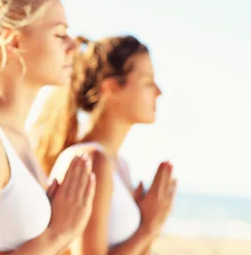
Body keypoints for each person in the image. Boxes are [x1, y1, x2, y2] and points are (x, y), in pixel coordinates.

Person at [0, 0, 96, 254]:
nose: (73, 46)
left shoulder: (19, 138)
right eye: (60, 34)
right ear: (15, 42)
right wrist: (58, 234)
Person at [36, 35, 177, 255]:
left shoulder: (119, 166)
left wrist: (150, 225)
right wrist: (149, 227)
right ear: (111, 87)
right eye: (147, 82)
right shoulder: (92, 161)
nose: (159, 92)